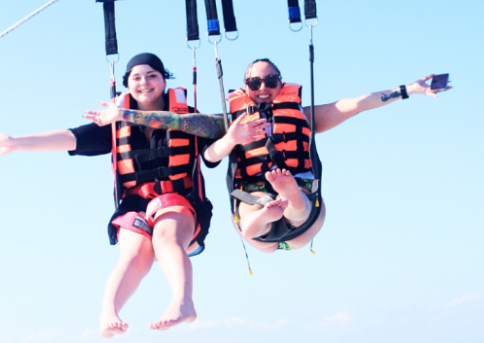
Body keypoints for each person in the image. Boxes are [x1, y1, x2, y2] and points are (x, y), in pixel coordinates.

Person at [87, 58, 451, 254]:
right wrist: (231, 138)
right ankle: (273, 206)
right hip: (254, 204)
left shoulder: (305, 115)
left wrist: (410, 89)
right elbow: (196, 143)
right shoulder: (228, 121)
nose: (263, 88)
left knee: (298, 210)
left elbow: (356, 104)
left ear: (281, 83)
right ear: (245, 88)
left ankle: (288, 196)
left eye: (271, 81)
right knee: (253, 228)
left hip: (303, 208)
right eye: (255, 83)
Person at [0, 53, 220, 337]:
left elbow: (216, 128)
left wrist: (127, 115)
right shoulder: (114, 123)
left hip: (178, 200)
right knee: (133, 253)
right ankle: (109, 313)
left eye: (152, 75)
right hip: (136, 204)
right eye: (136, 77)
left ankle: (183, 302)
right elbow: (71, 138)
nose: (144, 82)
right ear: (127, 85)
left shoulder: (187, 116)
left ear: (164, 80)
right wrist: (17, 143)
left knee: (165, 238)